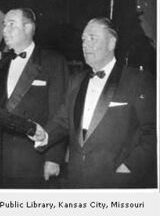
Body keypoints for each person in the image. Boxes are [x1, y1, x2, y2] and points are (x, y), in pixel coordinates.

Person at [31, 17, 156, 188]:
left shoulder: (138, 80)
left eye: (92, 38)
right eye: (83, 39)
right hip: (76, 179)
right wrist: (44, 135)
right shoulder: (76, 80)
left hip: (116, 181)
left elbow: (153, 132)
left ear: (112, 43)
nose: (85, 44)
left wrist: (130, 167)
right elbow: (63, 120)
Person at [0, 8, 69, 188]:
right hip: (0, 156)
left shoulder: (53, 62)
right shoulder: (0, 65)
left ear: (28, 28)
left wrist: (54, 158)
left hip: (35, 157)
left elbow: (60, 112)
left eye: (11, 24)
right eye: (4, 25)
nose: (4, 30)